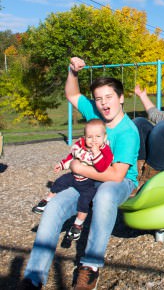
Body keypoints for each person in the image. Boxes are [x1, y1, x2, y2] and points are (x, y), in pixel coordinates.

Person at [21, 57, 139, 290]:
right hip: (90, 180)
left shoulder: (127, 132)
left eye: (109, 97)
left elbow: (116, 175)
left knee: (105, 194)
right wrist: (72, 72)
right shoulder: (96, 115)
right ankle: (34, 277)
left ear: (121, 98)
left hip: (120, 181)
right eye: (99, 99)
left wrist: (78, 167)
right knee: (54, 206)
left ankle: (90, 266)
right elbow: (72, 95)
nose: (104, 104)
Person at [32, 119, 114, 247]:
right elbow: (71, 157)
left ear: (105, 137)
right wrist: (62, 164)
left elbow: (102, 168)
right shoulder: (80, 145)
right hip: (74, 176)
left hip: (88, 182)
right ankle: (47, 200)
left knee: (84, 202)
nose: (94, 140)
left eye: (98, 136)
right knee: (60, 181)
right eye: (90, 137)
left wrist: (96, 153)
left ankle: (77, 225)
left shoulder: (105, 151)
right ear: (84, 137)